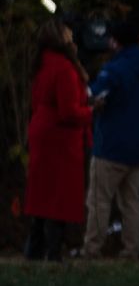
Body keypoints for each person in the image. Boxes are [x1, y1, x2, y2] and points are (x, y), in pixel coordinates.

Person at [83, 20, 139, 259]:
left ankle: (92, 247)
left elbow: (92, 95)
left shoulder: (114, 69)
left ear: (115, 41)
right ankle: (131, 248)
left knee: (99, 200)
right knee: (131, 201)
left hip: (111, 145)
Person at [22, 19, 93, 261]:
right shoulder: (64, 68)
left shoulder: (41, 65)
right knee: (59, 197)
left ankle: (35, 249)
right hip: (61, 140)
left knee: (41, 195)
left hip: (43, 133)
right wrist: (92, 111)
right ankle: (53, 252)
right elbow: (69, 112)